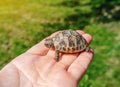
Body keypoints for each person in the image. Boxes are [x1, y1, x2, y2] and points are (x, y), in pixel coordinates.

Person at [0, 30, 94, 87]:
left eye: (48, 45)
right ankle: (86, 47)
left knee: (85, 49)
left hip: (76, 41)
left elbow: (57, 53)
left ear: (51, 44)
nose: (47, 45)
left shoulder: (57, 47)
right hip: (73, 37)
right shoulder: (56, 40)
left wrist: (56, 59)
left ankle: (85, 47)